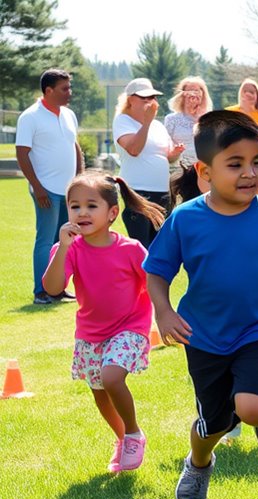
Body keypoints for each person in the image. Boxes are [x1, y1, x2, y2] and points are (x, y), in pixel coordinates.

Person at [144, 111, 258, 499]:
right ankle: (198, 464)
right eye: (236, 164)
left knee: (253, 407)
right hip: (203, 335)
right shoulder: (186, 219)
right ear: (205, 172)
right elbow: (156, 272)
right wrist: (164, 312)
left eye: (256, 162)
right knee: (215, 422)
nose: (250, 173)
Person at [42, 171, 165, 473]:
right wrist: (64, 249)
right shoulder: (68, 249)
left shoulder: (131, 249)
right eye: (74, 206)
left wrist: (165, 315)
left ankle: (134, 433)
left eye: (91, 205)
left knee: (111, 377)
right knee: (100, 393)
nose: (82, 212)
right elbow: (53, 288)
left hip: (129, 327)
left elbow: (153, 282)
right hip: (91, 333)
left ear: (112, 213)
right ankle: (122, 439)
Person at [15, 69, 84, 305]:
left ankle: (58, 289)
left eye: (69, 87)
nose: (69, 93)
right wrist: (38, 187)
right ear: (49, 91)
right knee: (45, 240)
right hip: (46, 191)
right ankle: (40, 291)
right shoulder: (30, 117)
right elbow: (22, 154)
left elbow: (75, 148)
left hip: (68, 193)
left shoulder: (69, 115)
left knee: (64, 240)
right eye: (64, 89)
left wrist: (80, 181)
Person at [113, 78, 185, 248]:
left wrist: (174, 153)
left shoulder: (157, 126)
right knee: (142, 245)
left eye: (152, 98)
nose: (149, 102)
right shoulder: (123, 121)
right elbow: (134, 149)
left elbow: (167, 157)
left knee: (160, 246)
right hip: (138, 192)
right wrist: (146, 122)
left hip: (162, 192)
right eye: (143, 98)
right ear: (130, 99)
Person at [164, 76, 213, 168]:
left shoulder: (210, 119)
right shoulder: (171, 119)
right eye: (190, 90)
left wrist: (199, 119)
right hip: (179, 167)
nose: (193, 94)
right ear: (182, 94)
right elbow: (166, 147)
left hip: (204, 167)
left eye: (197, 91)